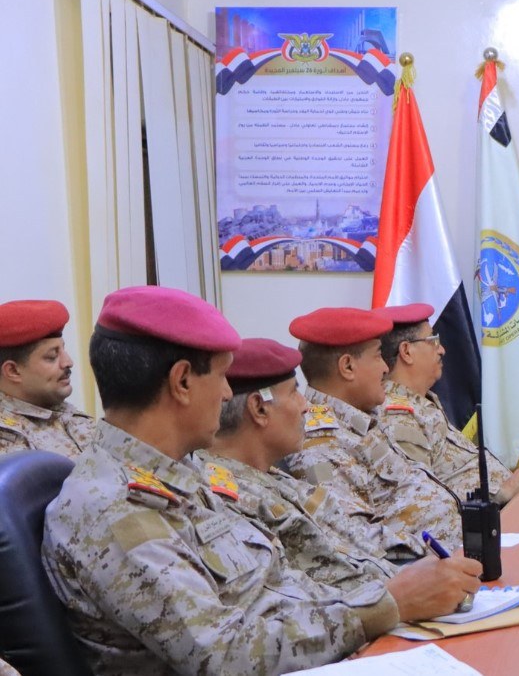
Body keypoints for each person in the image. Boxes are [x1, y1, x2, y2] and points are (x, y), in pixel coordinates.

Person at [41, 286, 479, 674]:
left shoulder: (182, 475)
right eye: (221, 376)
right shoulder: (113, 509)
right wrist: (387, 605)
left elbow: (280, 587)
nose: (227, 394)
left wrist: (395, 593)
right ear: (182, 382)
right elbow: (224, 655)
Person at [203, 337, 424, 579]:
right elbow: (302, 590)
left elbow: (359, 541)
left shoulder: (277, 480)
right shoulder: (225, 499)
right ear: (259, 408)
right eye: (294, 392)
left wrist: (428, 561)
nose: (305, 406)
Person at [280, 306, 469, 550]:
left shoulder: (363, 419)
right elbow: (354, 542)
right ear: (348, 367)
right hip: (428, 562)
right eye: (378, 356)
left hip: (457, 546)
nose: (385, 368)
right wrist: (431, 556)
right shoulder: (319, 444)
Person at [375, 303, 519, 505]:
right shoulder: (398, 416)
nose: (442, 350)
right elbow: (419, 499)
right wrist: (502, 491)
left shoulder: (422, 401)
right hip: (480, 519)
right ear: (406, 352)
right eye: (433, 341)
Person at [0, 299, 96, 458]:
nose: (68, 362)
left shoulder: (63, 413)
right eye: (52, 356)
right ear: (13, 371)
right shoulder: (7, 438)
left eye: (64, 350)